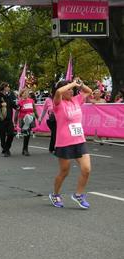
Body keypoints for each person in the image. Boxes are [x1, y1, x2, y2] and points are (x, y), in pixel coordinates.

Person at [48, 78, 93, 209]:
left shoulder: (76, 100)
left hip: (79, 140)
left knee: (86, 169)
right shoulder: (58, 103)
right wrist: (71, 84)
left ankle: (79, 195)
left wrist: (80, 84)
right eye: (69, 90)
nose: (72, 91)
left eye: (73, 90)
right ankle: (55, 194)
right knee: (64, 172)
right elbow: (58, 92)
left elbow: (89, 91)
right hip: (64, 142)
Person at [0, 82, 18, 157]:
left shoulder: (9, 95)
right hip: (1, 119)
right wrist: (0, 105)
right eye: (8, 86)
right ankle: (6, 150)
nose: (9, 88)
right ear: (4, 87)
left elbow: (12, 104)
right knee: (2, 136)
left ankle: (6, 148)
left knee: (11, 134)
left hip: (9, 119)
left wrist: (18, 107)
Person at [15, 88, 38, 156]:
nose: (26, 94)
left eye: (27, 93)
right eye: (24, 93)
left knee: (28, 134)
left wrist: (38, 118)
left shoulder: (31, 101)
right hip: (23, 119)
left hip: (30, 118)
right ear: (21, 94)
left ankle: (25, 149)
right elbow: (17, 112)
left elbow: (34, 110)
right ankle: (25, 149)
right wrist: (15, 121)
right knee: (26, 133)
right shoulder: (20, 102)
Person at [39, 86, 56, 153]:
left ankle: (51, 148)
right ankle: (56, 148)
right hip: (51, 120)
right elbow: (44, 110)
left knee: (54, 133)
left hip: (59, 119)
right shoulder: (48, 100)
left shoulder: (60, 98)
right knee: (55, 133)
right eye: (53, 93)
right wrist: (40, 118)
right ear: (51, 93)